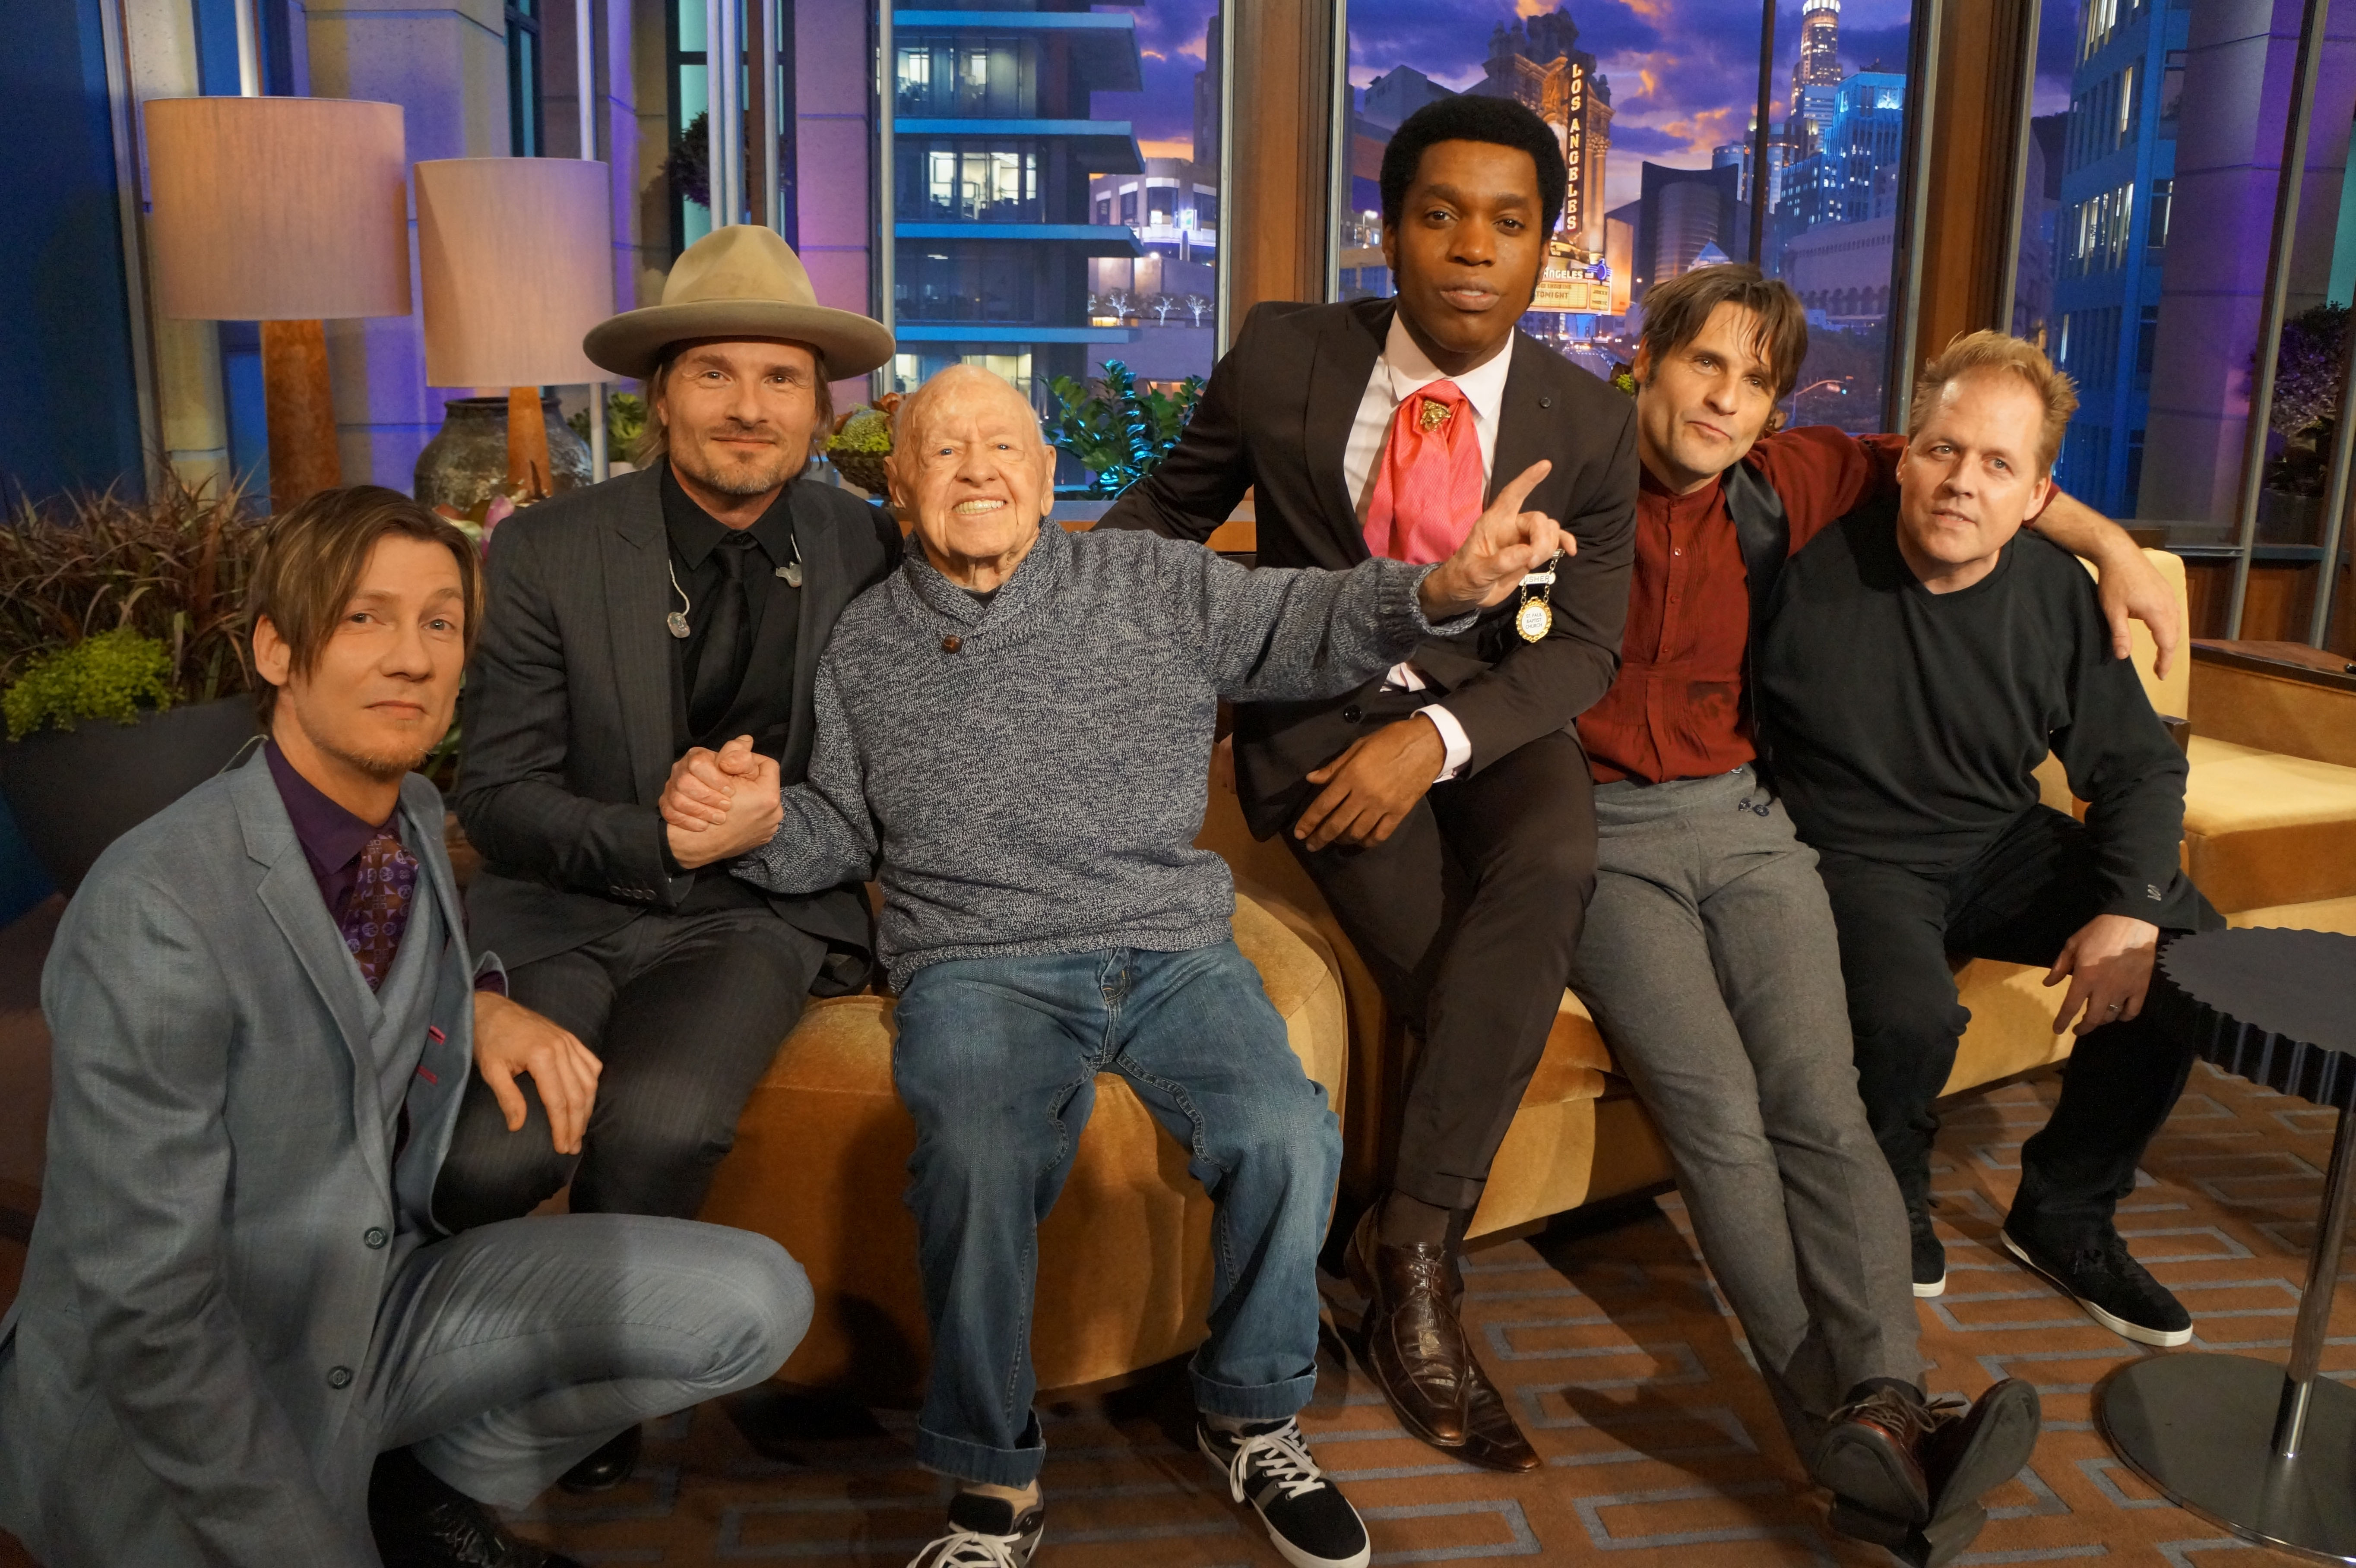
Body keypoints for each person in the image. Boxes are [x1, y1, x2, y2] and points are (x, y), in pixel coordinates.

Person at [662, 364, 1564, 1568]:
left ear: (1047, 480)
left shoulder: (1150, 581)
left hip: (1170, 947)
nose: (977, 468)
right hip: (975, 963)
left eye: (1004, 447)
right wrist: (763, 829)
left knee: (1287, 1138)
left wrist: (1446, 588)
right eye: (945, 450)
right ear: (899, 485)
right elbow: (843, 827)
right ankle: (991, 1482)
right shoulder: (864, 645)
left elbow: (1311, 622)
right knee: (977, 1162)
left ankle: (1251, 1414)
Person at [0, 487, 810, 1568]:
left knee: (753, 1298)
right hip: (196, 1383)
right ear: (278, 650)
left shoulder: (413, 814)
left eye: (439, 622)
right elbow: (148, 1315)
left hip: (371, 1304)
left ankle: (423, 1498)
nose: (413, 658)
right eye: (363, 618)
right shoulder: (158, 907)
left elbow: (364, 977)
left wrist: (476, 1000)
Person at [1564, 265, 2180, 1563]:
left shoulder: (1803, 486)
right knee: (1729, 1121)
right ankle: (1856, 1441)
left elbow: (1960, 459)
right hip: (1653, 840)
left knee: (1819, 1105)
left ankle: (1912, 1378)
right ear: (1645, 359)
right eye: (1702, 365)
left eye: (1755, 380)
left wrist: (2112, 543)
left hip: (1774, 831)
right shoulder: (1604, 479)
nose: (1725, 398)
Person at [1097, 93, 1635, 1472]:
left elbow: (1581, 647)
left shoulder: (1587, 419)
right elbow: (1168, 510)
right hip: (1320, 714)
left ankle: (1401, 1259)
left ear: (1543, 245)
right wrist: (1042, 597)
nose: (1471, 248)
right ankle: (1412, 1271)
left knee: (1557, 860)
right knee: (1469, 970)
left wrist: (1435, 742)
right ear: (1390, 232)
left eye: (1509, 222)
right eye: (1440, 215)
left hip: (1493, 722)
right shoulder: (1287, 355)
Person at [436, 224, 899, 1489]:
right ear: (661, 394)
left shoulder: (866, 545)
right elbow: (496, 788)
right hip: (565, 904)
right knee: (492, 1152)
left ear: (819, 404)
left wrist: (772, 826)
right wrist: (661, 836)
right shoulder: (546, 549)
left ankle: (587, 1391)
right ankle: (410, 1356)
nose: (749, 409)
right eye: (716, 374)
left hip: (755, 916)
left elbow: (901, 765)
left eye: (783, 379)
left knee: (661, 1123)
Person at [1757, 330, 2221, 1361]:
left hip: (1995, 840)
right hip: (1851, 854)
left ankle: (2064, 1213)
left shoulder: (2061, 595)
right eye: (1942, 451)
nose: (1963, 482)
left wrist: (2130, 906)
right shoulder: (1802, 562)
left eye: (1997, 464)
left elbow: (2138, 769)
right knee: (1910, 1015)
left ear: (2036, 494)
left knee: (2188, 949)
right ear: (1904, 454)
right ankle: (1892, 1198)